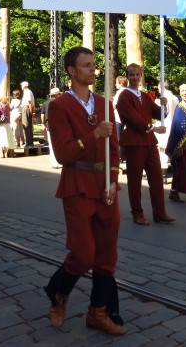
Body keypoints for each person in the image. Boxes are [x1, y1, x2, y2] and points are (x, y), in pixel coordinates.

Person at [43, 46, 125, 336]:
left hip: (104, 187)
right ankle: (58, 292)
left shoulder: (105, 104)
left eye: (94, 64)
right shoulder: (59, 106)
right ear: (72, 71)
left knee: (106, 253)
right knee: (83, 253)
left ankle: (98, 311)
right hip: (77, 184)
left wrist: (113, 180)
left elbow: (114, 149)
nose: (93, 69)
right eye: (87, 65)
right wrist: (93, 136)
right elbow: (64, 154)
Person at [116, 63, 174, 226]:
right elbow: (132, 118)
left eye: (137, 74)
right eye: (132, 74)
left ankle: (160, 213)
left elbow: (157, 112)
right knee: (134, 180)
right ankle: (137, 213)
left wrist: (163, 104)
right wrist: (153, 128)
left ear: (141, 76)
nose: (135, 77)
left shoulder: (145, 95)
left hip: (148, 141)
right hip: (134, 140)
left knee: (156, 178)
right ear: (127, 77)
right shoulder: (124, 95)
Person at [42, 88, 63, 168]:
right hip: (59, 124)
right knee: (60, 143)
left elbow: (42, 116)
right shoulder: (60, 102)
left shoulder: (45, 103)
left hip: (49, 124)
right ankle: (61, 161)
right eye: (59, 94)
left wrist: (43, 124)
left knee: (51, 144)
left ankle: (54, 163)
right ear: (56, 94)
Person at [112, 76, 128, 162]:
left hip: (118, 118)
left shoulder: (119, 93)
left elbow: (114, 106)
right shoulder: (129, 92)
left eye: (116, 82)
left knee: (118, 137)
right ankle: (123, 155)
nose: (115, 84)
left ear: (121, 83)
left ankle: (120, 156)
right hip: (126, 118)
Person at [20, 81, 36, 147]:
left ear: (24, 86)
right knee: (28, 126)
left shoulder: (27, 92)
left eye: (21, 86)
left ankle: (29, 143)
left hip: (26, 108)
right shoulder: (28, 92)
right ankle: (30, 142)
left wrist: (31, 112)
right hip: (27, 109)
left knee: (26, 125)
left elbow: (30, 102)